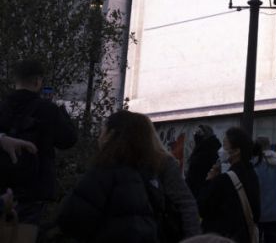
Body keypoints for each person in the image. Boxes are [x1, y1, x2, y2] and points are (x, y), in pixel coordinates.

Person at [57, 110, 201, 242]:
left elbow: (73, 218)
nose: (99, 137)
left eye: (102, 131)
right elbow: (186, 204)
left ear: (112, 135)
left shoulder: (107, 169)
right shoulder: (155, 164)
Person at [0, 60, 77, 229]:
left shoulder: (3, 107)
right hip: (34, 189)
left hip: (4, 188)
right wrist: (59, 109)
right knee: (26, 233)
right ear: (37, 81)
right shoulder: (47, 110)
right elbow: (69, 139)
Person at [198, 127, 261, 243]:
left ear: (236, 151)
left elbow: (203, 207)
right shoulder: (252, 174)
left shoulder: (225, 180)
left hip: (223, 237)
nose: (221, 150)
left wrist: (209, 181)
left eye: (224, 145)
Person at [186, 124, 221, 199]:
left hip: (200, 193)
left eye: (199, 132)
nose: (195, 135)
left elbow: (194, 176)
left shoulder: (203, 152)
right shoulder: (213, 148)